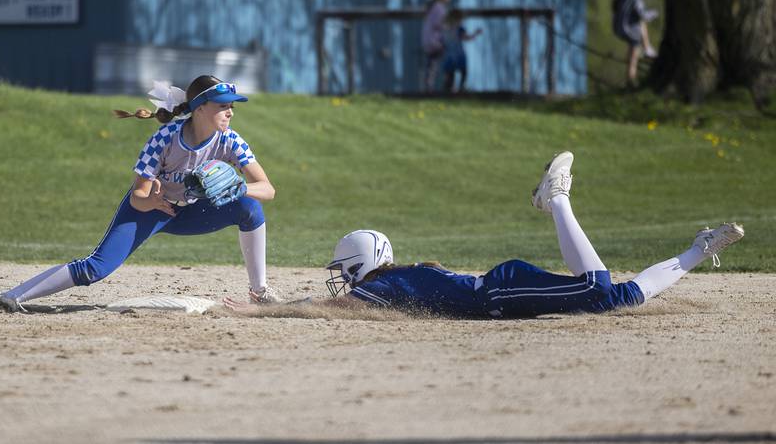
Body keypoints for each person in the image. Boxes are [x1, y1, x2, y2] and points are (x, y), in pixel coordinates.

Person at [224, 152, 744, 318]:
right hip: (502, 293)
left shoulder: (378, 287)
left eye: (345, 270)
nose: (343, 282)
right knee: (620, 297)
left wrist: (262, 308)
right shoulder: (394, 281)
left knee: (599, 293)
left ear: (362, 264)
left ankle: (556, 198)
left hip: (500, 291)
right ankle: (698, 250)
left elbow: (322, 306)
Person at [0, 75, 281, 313]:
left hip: (195, 212)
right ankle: (10, 296)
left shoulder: (230, 140)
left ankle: (260, 292)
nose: (229, 111)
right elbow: (138, 195)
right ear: (200, 108)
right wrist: (151, 200)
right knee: (95, 268)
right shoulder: (164, 139)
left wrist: (240, 187)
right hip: (151, 210)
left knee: (249, 208)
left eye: (232, 106)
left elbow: (267, 188)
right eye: (222, 105)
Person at [612, 0, 659, 87]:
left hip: (619, 29)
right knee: (641, 24)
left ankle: (630, 78)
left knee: (632, 52)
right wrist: (655, 13)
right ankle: (647, 48)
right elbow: (643, 15)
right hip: (631, 31)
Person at [420, 0, 453, 93]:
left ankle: (430, 86)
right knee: (446, 62)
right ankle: (446, 86)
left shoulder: (432, 6)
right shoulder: (439, 8)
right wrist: (449, 25)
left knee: (432, 63)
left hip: (429, 39)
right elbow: (440, 23)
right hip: (435, 41)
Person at [441, 9, 482, 93]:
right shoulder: (458, 29)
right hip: (458, 54)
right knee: (462, 71)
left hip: (449, 55)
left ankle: (449, 89)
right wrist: (475, 33)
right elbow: (466, 37)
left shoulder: (445, 29)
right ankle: (460, 88)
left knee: (450, 73)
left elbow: (442, 41)